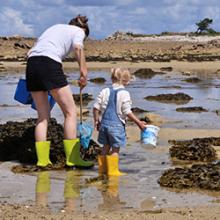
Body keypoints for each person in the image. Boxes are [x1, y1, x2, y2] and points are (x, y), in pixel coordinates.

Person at [26, 15, 93, 168]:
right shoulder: (79, 31)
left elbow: (30, 52)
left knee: (42, 116)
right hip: (49, 63)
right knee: (70, 113)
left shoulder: (54, 28)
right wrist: (84, 72)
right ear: (83, 30)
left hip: (32, 64)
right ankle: (72, 158)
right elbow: (77, 48)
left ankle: (42, 161)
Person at [93, 68, 146, 176]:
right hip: (116, 127)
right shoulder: (124, 93)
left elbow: (95, 108)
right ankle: (113, 172)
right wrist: (139, 123)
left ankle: (102, 170)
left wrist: (96, 120)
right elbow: (127, 111)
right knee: (115, 149)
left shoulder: (105, 91)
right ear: (127, 81)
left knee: (105, 147)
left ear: (112, 78)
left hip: (104, 124)